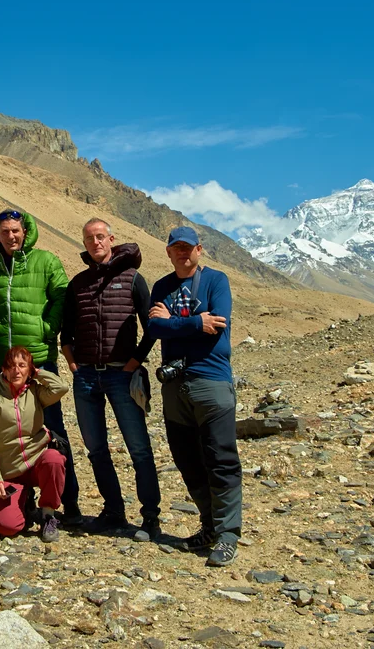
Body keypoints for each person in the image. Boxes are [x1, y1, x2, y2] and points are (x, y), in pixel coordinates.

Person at [60, 218, 161, 541]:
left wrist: (133, 363)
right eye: (90, 238)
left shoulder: (132, 279)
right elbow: (67, 331)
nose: (96, 243)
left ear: (112, 239)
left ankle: (150, 517)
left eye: (101, 237)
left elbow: (152, 327)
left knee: (139, 448)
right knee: (95, 448)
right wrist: (73, 363)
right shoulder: (78, 283)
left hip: (122, 374)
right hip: (87, 377)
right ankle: (113, 510)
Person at [0, 208, 82, 525]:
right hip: (3, 365)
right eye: (5, 231)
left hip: (38, 360)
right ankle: (21, 498)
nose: (11, 236)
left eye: (16, 230)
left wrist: (46, 330)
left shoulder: (46, 262)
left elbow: (62, 299)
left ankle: (70, 504)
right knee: (8, 432)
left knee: (52, 429)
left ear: (25, 232)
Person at [148, 227, 240, 567]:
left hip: (212, 382)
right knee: (187, 459)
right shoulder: (161, 287)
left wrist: (172, 321)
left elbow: (218, 324)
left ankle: (228, 534)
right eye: (176, 248)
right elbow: (153, 328)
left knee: (221, 459)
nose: (182, 253)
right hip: (174, 387)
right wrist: (191, 323)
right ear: (169, 252)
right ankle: (209, 526)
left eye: (188, 248)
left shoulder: (217, 281)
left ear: (199, 250)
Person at [0, 346, 69, 542]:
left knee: (54, 459)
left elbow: (61, 388)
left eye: (22, 366)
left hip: (36, 463)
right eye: (12, 366)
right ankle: (23, 503)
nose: (16, 371)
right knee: (7, 527)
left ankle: (48, 515)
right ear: (4, 370)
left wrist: (38, 373)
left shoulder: (36, 392)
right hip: (10, 472)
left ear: (29, 370)